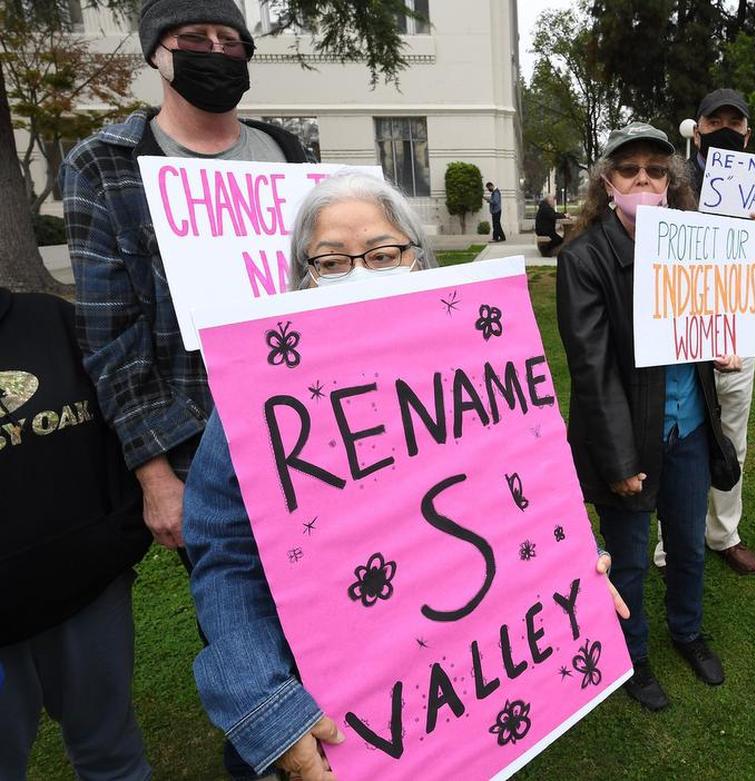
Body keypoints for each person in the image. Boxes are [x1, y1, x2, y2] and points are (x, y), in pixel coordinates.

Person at [184, 173, 626, 780]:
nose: (360, 271)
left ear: (418, 262)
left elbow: (530, 471)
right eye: (332, 260)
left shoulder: (472, 361)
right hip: (331, 713)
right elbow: (226, 553)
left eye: (383, 254)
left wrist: (577, 556)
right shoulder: (259, 398)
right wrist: (268, 708)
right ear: (302, 274)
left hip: (463, 705)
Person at [59, 2, 309, 776]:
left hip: (308, 429)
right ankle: (266, 755)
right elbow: (110, 334)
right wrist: (154, 473)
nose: (213, 53)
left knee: (325, 609)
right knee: (243, 631)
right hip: (202, 449)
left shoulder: (287, 150)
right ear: (156, 55)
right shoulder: (105, 164)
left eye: (228, 41)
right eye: (193, 41)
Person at [556, 122, 743, 712]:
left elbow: (708, 317)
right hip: (627, 438)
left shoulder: (697, 242)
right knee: (630, 559)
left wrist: (720, 340)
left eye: (656, 171)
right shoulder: (584, 258)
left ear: (671, 181)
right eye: (630, 169)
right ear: (607, 182)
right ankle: (631, 655)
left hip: (687, 429)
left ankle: (687, 631)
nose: (644, 179)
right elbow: (590, 369)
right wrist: (617, 459)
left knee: (688, 545)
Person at [0, 287, 153, 780]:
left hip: (88, 592)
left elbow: (123, 411)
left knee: (110, 751)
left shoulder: (55, 319)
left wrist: (119, 531)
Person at [652, 87, 755, 576]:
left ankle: (723, 533)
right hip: (683, 335)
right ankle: (672, 539)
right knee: (678, 436)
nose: (726, 129)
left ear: (748, 133)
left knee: (732, 437)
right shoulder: (675, 183)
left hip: (737, 334)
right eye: (716, 122)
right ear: (699, 127)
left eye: (736, 122)